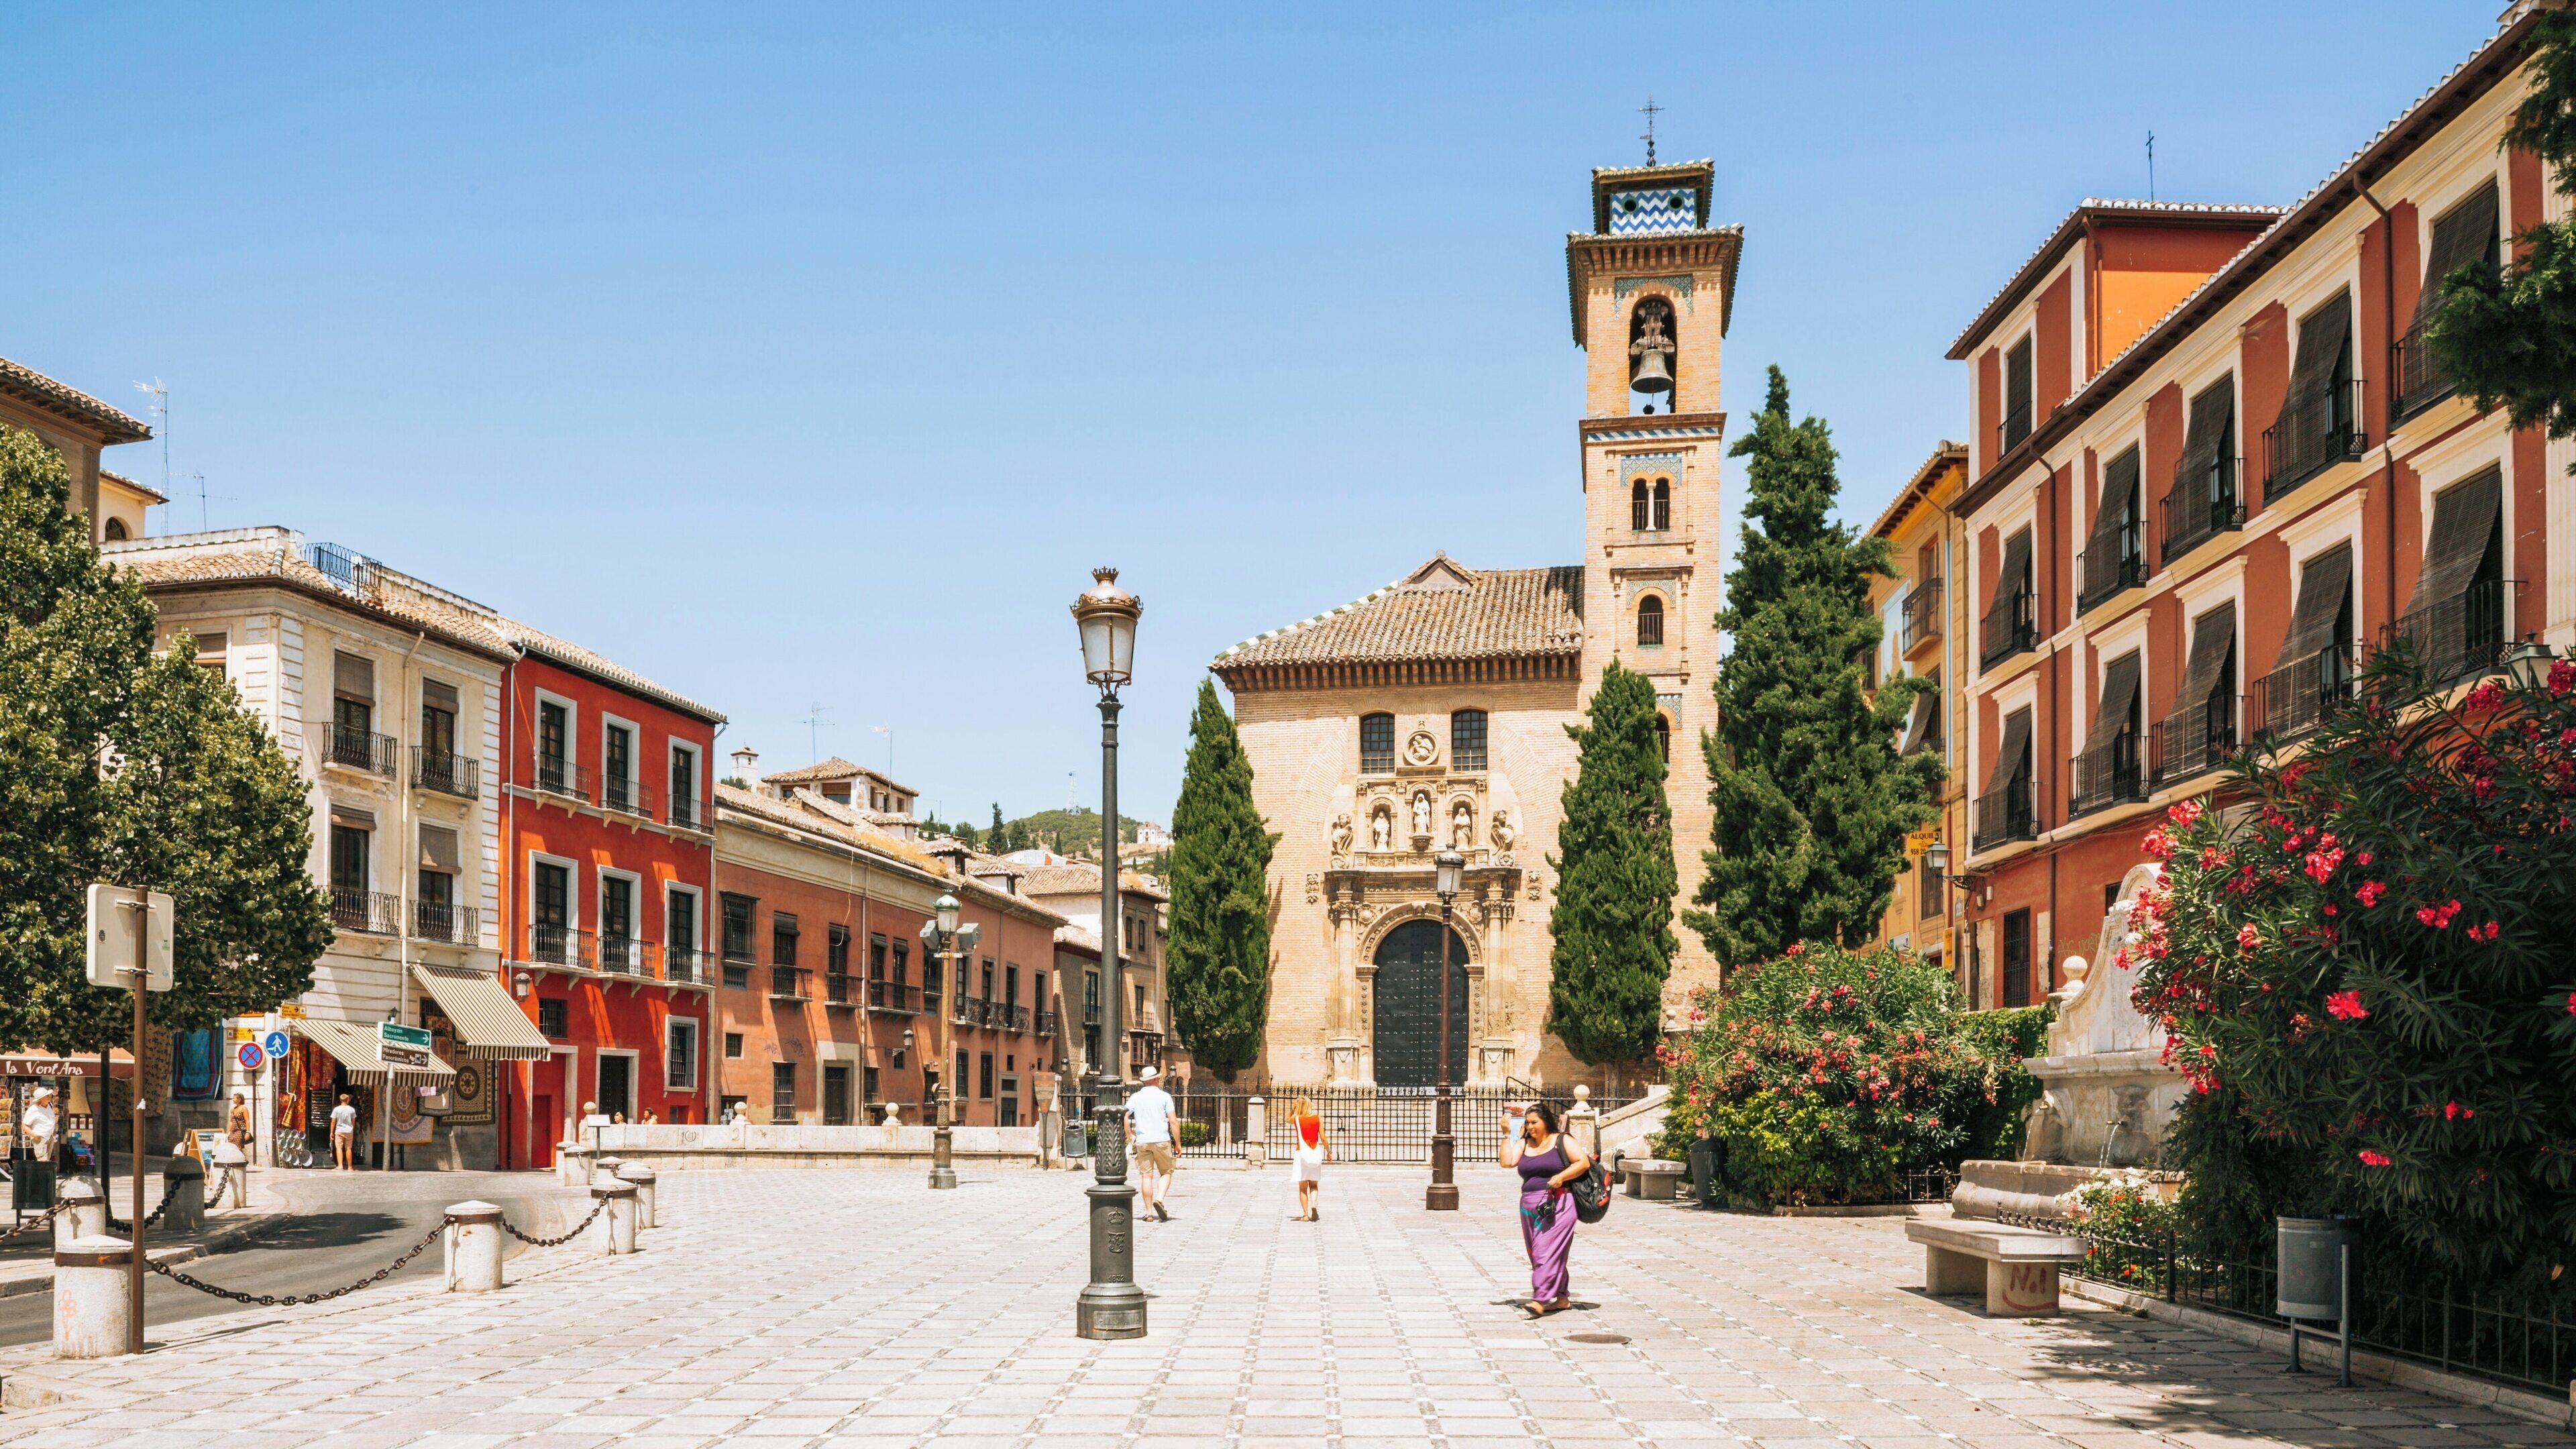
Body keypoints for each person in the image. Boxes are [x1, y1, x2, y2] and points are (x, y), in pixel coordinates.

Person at [1499, 1100, 1591, 1318]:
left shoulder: (1562, 1140)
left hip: (1559, 1203)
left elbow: (1583, 1163)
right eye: (1528, 1123)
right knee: (1539, 1254)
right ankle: (1562, 1298)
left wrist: (1560, 1177)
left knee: (1544, 1252)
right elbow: (1507, 1162)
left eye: (1534, 1122)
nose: (1530, 1127)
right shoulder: (1526, 1143)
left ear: (1545, 1121)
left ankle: (1539, 1300)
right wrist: (1505, 1135)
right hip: (1529, 1205)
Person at [1125, 1065, 1177, 1222]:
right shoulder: (1165, 1096)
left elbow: (1125, 1115)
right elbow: (1173, 1121)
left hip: (1143, 1141)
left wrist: (1130, 1136)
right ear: (1156, 1079)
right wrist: (1178, 1144)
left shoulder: (1136, 1097)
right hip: (1161, 1140)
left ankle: (1148, 1213)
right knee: (1166, 1172)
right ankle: (1159, 1199)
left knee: (1146, 1176)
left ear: (1144, 1081)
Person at [1290, 1095, 1328, 1222]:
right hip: (1314, 1152)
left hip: (1301, 1154)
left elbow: (1287, 1120)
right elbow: (1323, 1138)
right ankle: (1314, 1205)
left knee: (1302, 1187)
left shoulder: (1296, 1119)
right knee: (1314, 1184)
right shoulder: (1317, 1118)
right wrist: (1329, 1151)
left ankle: (1306, 1215)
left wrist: (1293, 1108)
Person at [330, 1092, 358, 1171]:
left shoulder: (336, 1110)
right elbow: (353, 1121)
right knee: (348, 1148)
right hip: (349, 1131)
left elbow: (333, 1122)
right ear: (348, 1100)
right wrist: (352, 1128)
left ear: (340, 1100)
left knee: (339, 1147)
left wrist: (331, 1132)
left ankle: (340, 1165)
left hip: (339, 1131)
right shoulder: (352, 1110)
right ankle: (350, 1167)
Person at [225, 1091, 254, 1164]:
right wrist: (228, 1132)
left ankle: (240, 1161)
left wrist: (248, 1132)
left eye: (234, 1098)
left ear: (239, 1099)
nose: (233, 1100)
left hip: (240, 1131)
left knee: (238, 1146)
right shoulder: (233, 1109)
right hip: (233, 1131)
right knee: (231, 1146)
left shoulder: (243, 1108)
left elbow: (247, 1120)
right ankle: (243, 1160)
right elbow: (231, 1121)